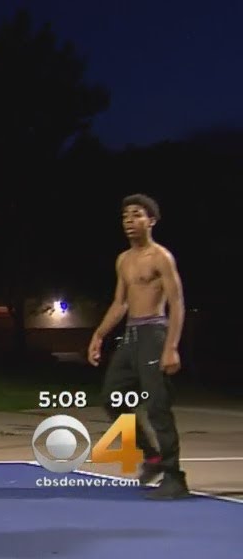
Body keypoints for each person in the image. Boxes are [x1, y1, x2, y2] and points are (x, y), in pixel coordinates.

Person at [87, 193, 189, 500]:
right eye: (125, 217)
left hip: (154, 335)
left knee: (157, 407)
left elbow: (177, 302)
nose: (130, 221)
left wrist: (171, 347)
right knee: (112, 399)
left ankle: (174, 478)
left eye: (137, 215)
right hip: (130, 338)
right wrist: (99, 335)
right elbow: (120, 303)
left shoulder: (161, 257)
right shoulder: (124, 260)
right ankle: (152, 456)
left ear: (151, 220)